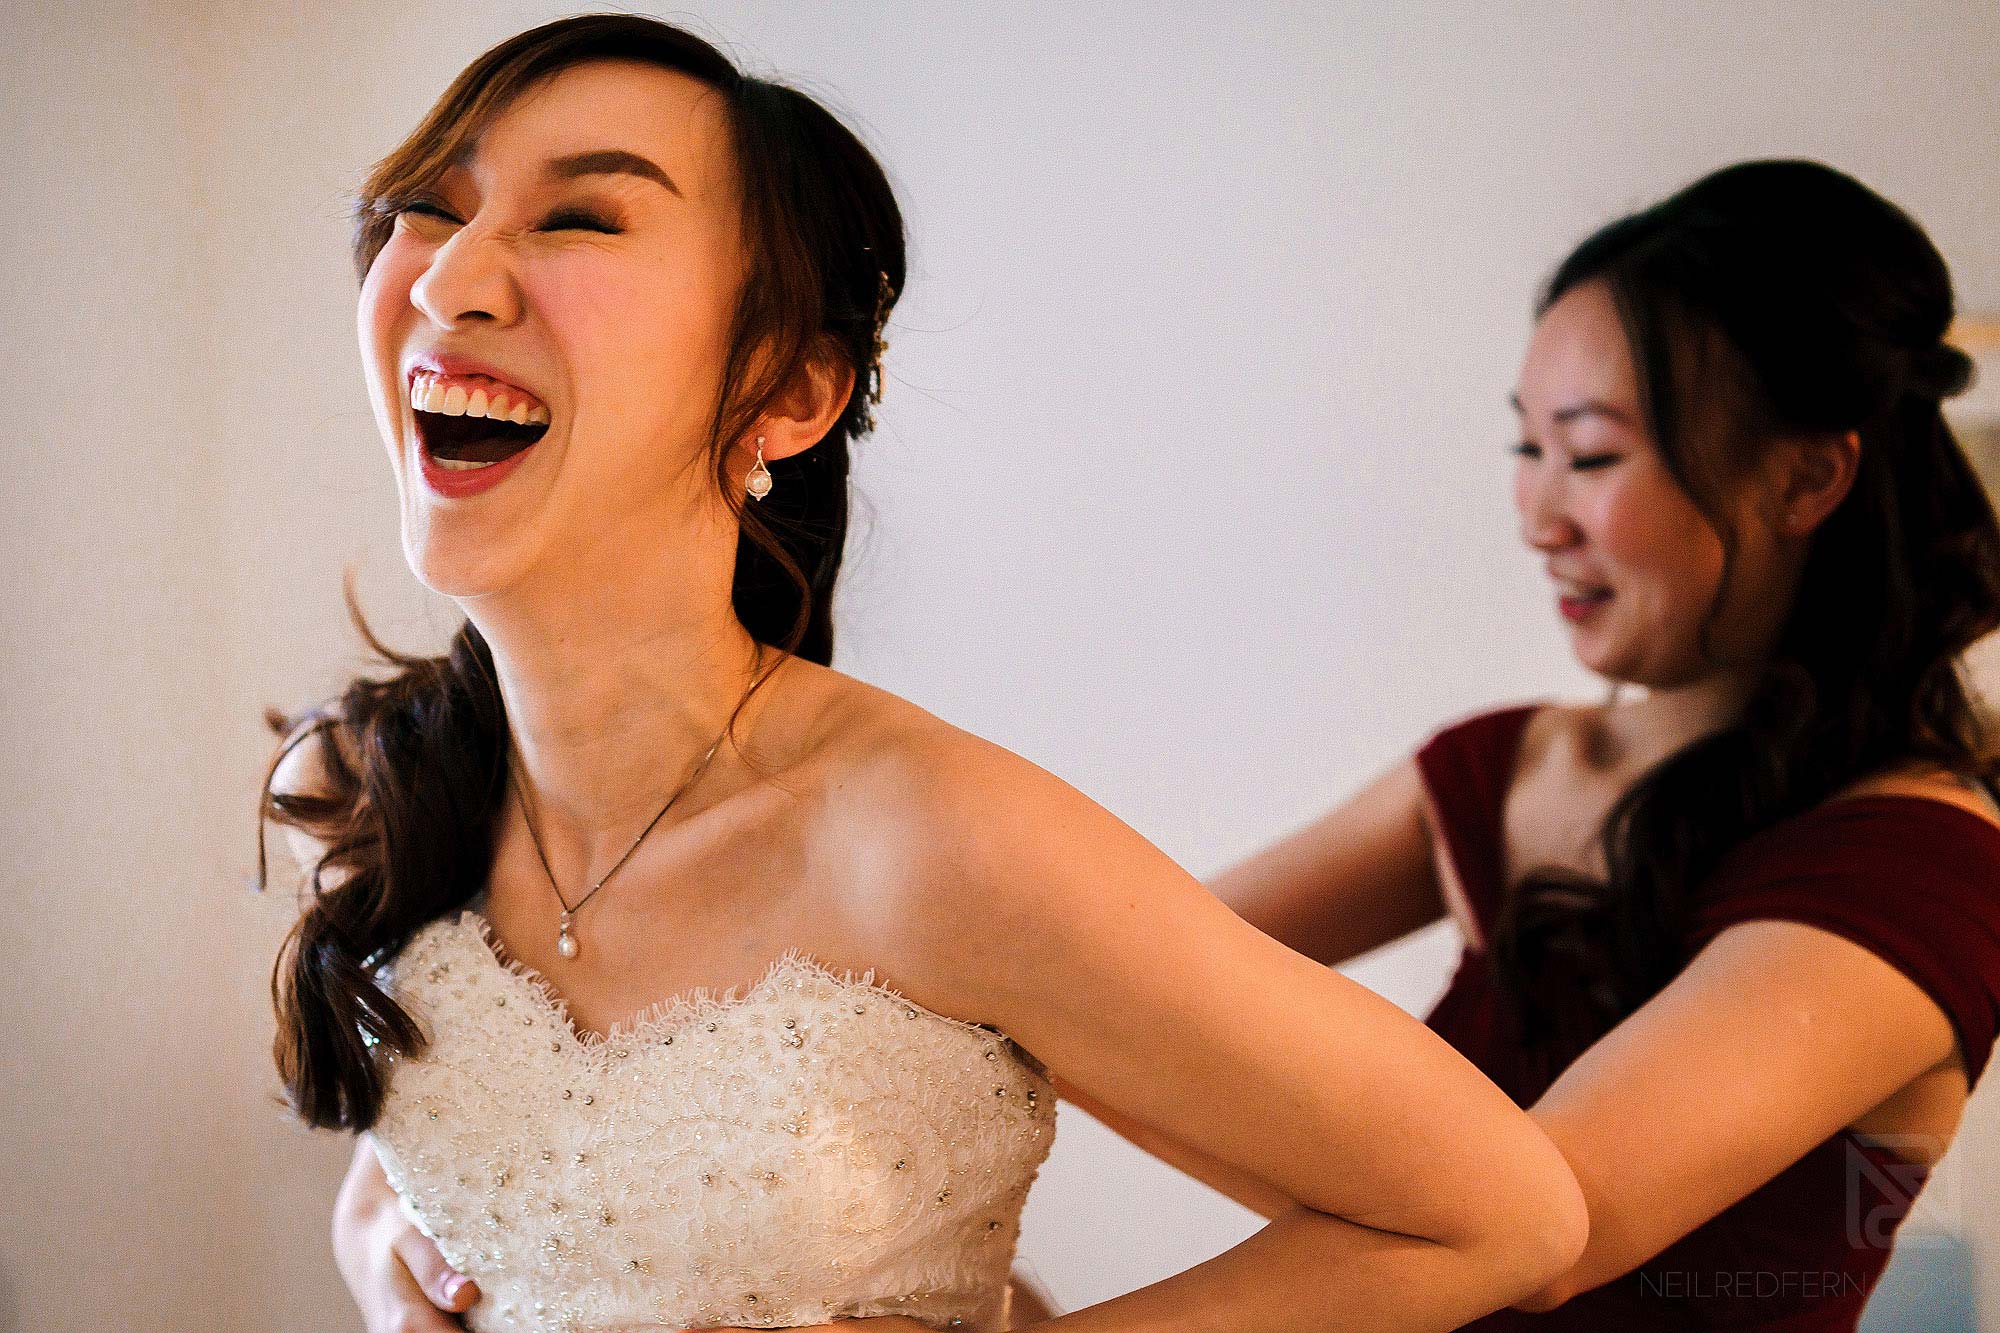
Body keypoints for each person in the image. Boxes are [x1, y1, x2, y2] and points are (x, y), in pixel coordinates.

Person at [260, 15, 1586, 1333]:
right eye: (426, 209)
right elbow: (503, 1188)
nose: (448, 281)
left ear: (785, 390)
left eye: (581, 221)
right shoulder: (387, 784)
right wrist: (374, 1239)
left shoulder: (925, 843)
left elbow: (1497, 1215)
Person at [1085, 159, 2000, 1330]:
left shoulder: (1917, 865)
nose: (1537, 516)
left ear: (1806, 476)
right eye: (1528, 449)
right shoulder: (1496, 768)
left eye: (1594, 455)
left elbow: (1536, 1235)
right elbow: (1124, 968)